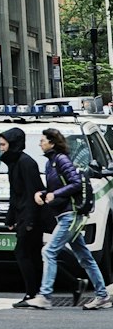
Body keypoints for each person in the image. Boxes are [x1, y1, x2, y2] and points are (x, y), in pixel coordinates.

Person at [27, 128, 111, 310]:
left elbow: (75, 183)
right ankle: (102, 295)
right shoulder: (51, 163)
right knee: (85, 257)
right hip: (65, 213)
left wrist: (53, 194)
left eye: (42, 140)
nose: (39, 143)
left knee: (48, 251)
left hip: (70, 214)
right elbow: (56, 187)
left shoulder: (61, 160)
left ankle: (45, 295)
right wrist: (43, 194)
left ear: (52, 142)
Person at [0, 126, 47, 308]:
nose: (1, 148)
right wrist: (10, 218)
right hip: (23, 217)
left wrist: (30, 221)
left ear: (13, 144)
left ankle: (31, 293)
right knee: (32, 255)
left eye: (3, 144)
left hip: (30, 218)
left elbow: (33, 193)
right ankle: (38, 291)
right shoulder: (14, 163)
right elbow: (15, 194)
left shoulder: (26, 163)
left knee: (23, 253)